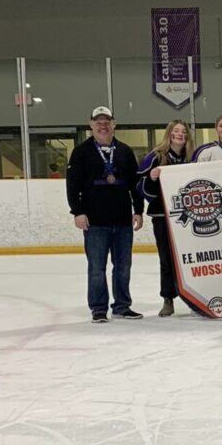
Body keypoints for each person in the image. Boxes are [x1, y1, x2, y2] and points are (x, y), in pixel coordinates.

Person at [66, 106, 144, 323]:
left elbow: (134, 184)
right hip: (95, 221)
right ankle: (98, 308)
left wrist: (138, 210)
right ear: (91, 125)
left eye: (106, 121)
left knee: (123, 267)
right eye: (98, 121)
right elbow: (72, 185)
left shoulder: (125, 151)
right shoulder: (81, 152)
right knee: (96, 268)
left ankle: (122, 306)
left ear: (114, 124)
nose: (103, 125)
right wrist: (78, 212)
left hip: (122, 221)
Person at [137, 120, 194, 318]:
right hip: (162, 216)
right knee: (166, 258)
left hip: (187, 216)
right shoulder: (156, 156)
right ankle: (168, 298)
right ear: (169, 134)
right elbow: (138, 185)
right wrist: (151, 178)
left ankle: (194, 295)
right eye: (176, 131)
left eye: (183, 131)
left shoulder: (191, 158)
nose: (180, 134)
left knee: (189, 256)